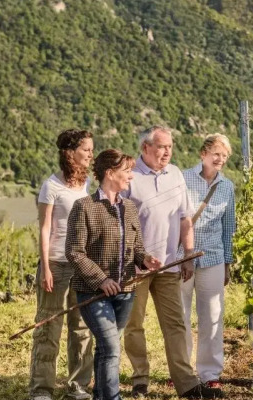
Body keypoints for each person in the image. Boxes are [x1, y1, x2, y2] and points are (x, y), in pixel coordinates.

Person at [123, 126, 223, 399]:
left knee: (176, 323)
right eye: (161, 146)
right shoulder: (130, 177)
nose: (167, 151)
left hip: (168, 265)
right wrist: (135, 257)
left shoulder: (176, 174)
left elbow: (185, 219)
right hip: (136, 268)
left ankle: (186, 383)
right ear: (145, 148)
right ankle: (140, 379)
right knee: (135, 325)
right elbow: (119, 224)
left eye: (170, 146)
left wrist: (187, 256)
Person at [66, 149, 162, 400]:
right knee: (111, 347)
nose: (131, 176)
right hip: (92, 291)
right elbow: (75, 252)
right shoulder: (84, 207)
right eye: (127, 171)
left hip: (125, 292)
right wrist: (101, 280)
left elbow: (137, 248)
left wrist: (146, 259)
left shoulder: (129, 208)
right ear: (110, 173)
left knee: (106, 348)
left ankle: (100, 394)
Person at [29, 129, 95, 400]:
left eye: (91, 150)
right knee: (48, 327)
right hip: (56, 263)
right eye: (86, 150)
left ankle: (78, 387)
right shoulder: (51, 186)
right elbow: (44, 229)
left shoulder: (88, 184)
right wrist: (45, 267)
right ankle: (41, 389)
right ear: (71, 153)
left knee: (81, 328)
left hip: (83, 265)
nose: (91, 154)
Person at [180, 134, 236, 388]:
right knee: (179, 315)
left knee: (212, 316)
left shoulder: (227, 186)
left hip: (213, 256)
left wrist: (227, 263)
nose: (220, 159)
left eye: (224, 155)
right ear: (203, 153)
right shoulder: (183, 178)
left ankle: (210, 373)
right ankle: (180, 371)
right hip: (181, 257)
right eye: (216, 153)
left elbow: (228, 227)